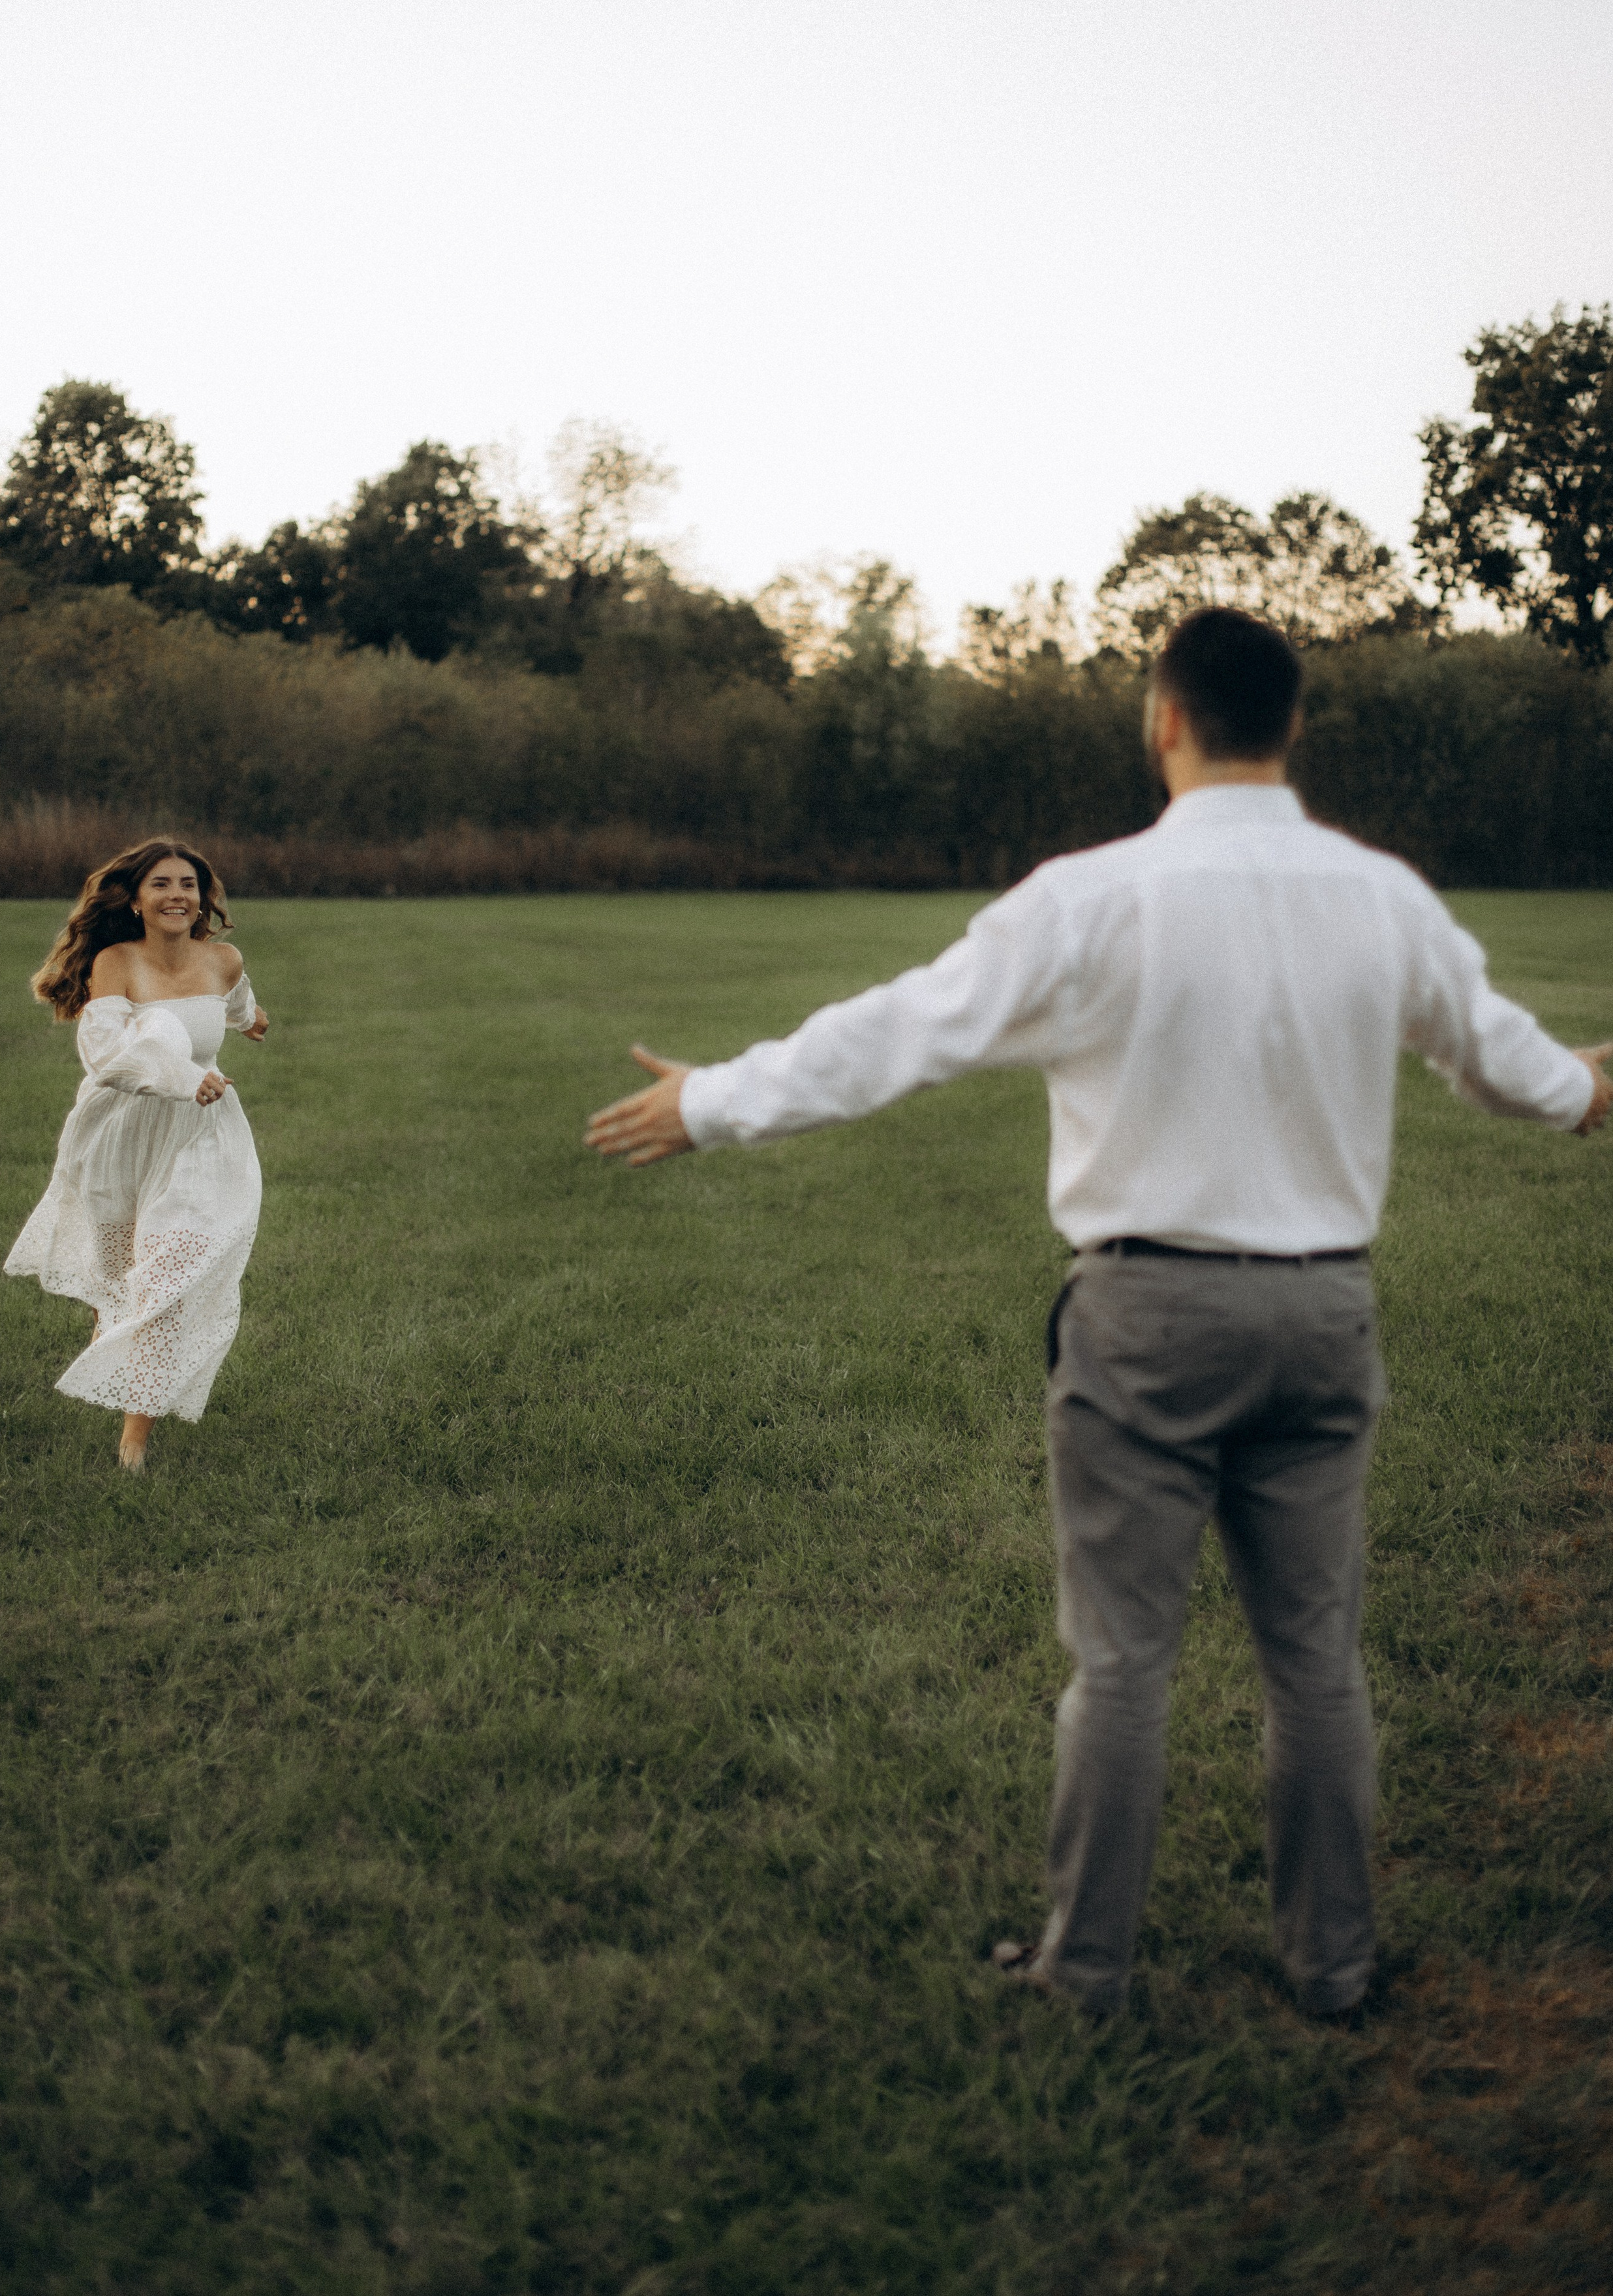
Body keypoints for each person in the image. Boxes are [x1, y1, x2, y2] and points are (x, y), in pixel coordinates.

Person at [585, 607, 1612, 2021]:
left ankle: (1085, 1973)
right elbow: (1505, 1064)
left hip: (1144, 1317)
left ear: (1162, 720)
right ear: (1291, 727)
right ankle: (1331, 1965)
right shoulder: (1379, 896)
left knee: (1124, 1661)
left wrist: (712, 1098)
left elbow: (903, 1030)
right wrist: (1583, 1086)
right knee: (1313, 1659)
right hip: (1324, 1314)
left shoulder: (1086, 898)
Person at [7, 838, 269, 1473]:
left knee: (163, 1286)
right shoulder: (115, 963)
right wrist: (182, 1077)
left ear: (203, 897)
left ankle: (133, 1445)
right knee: (121, 1278)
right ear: (135, 897)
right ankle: (111, 1317)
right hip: (121, 1136)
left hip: (203, 1136)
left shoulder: (223, 961)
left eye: (188, 883)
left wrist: (253, 1020)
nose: (177, 894)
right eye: (161, 884)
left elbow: (233, 1008)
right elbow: (108, 1055)